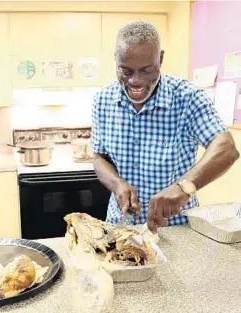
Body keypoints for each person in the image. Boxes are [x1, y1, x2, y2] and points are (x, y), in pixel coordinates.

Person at [92, 20, 239, 233]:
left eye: (146, 70)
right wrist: (117, 184)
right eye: (126, 70)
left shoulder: (187, 97)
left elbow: (226, 148)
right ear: (116, 60)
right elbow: (99, 158)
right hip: (120, 226)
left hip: (176, 230)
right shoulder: (102, 100)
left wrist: (184, 187)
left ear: (160, 59)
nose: (135, 81)